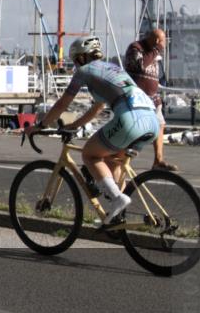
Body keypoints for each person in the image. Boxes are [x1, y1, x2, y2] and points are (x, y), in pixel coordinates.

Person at [28, 36, 160, 223]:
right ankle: (118, 218)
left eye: (75, 61)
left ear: (81, 58)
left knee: (90, 155)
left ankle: (118, 199)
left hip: (131, 119)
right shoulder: (113, 69)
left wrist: (40, 126)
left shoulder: (84, 71)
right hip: (152, 120)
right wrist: (73, 126)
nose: (75, 65)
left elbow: (62, 103)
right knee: (112, 162)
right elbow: (96, 109)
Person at [125, 29, 176, 171]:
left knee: (160, 125)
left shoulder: (154, 54)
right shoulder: (136, 48)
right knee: (135, 131)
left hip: (152, 98)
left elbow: (152, 75)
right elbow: (141, 66)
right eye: (163, 42)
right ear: (156, 41)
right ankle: (121, 160)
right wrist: (157, 50)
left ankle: (158, 160)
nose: (164, 45)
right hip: (138, 98)